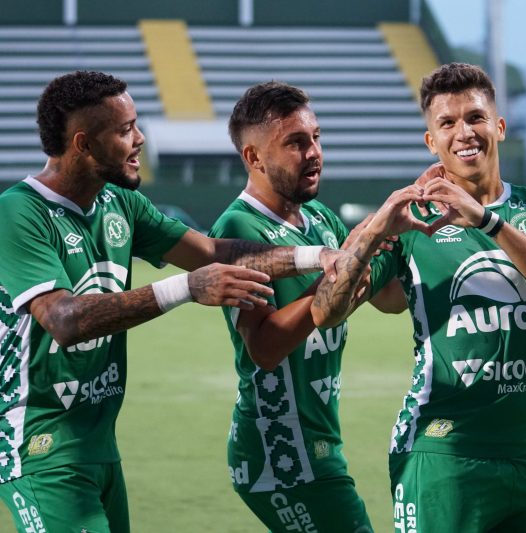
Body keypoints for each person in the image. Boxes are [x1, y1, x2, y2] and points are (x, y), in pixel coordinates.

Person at [0, 71, 338, 533]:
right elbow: (64, 320)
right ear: (82, 144)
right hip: (38, 444)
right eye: (124, 130)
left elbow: (214, 251)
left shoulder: (120, 203)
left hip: (97, 442)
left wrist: (317, 256)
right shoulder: (18, 212)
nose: (139, 139)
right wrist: (185, 288)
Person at [311, 63, 526, 532]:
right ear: (431, 142)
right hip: (440, 449)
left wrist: (485, 219)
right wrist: (379, 224)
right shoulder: (413, 222)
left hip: (522, 448)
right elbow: (328, 309)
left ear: (498, 127)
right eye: (447, 123)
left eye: (475, 117)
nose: (464, 132)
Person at [208, 81, 425, 533]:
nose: (313, 153)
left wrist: (400, 242)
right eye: (295, 143)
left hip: (319, 442)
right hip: (278, 453)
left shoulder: (320, 219)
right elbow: (264, 348)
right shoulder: (237, 226)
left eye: (316, 138)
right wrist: (349, 260)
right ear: (253, 158)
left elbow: (386, 300)